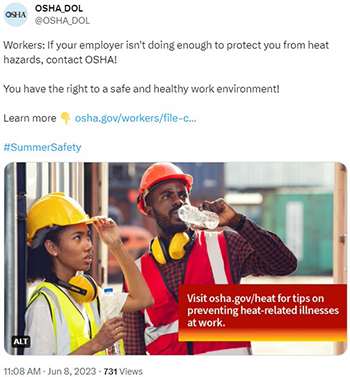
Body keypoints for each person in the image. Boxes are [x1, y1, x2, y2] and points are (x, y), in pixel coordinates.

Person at [123, 163, 298, 355]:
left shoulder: (225, 246)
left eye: (182, 195)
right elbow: (132, 350)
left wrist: (238, 222)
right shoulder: (136, 274)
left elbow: (285, 264)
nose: (178, 201)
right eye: (167, 196)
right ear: (149, 210)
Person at [24, 192, 154, 355]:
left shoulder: (90, 295)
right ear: (52, 247)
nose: (89, 246)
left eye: (88, 237)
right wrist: (96, 344)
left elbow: (143, 299)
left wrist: (116, 245)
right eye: (78, 238)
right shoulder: (43, 305)